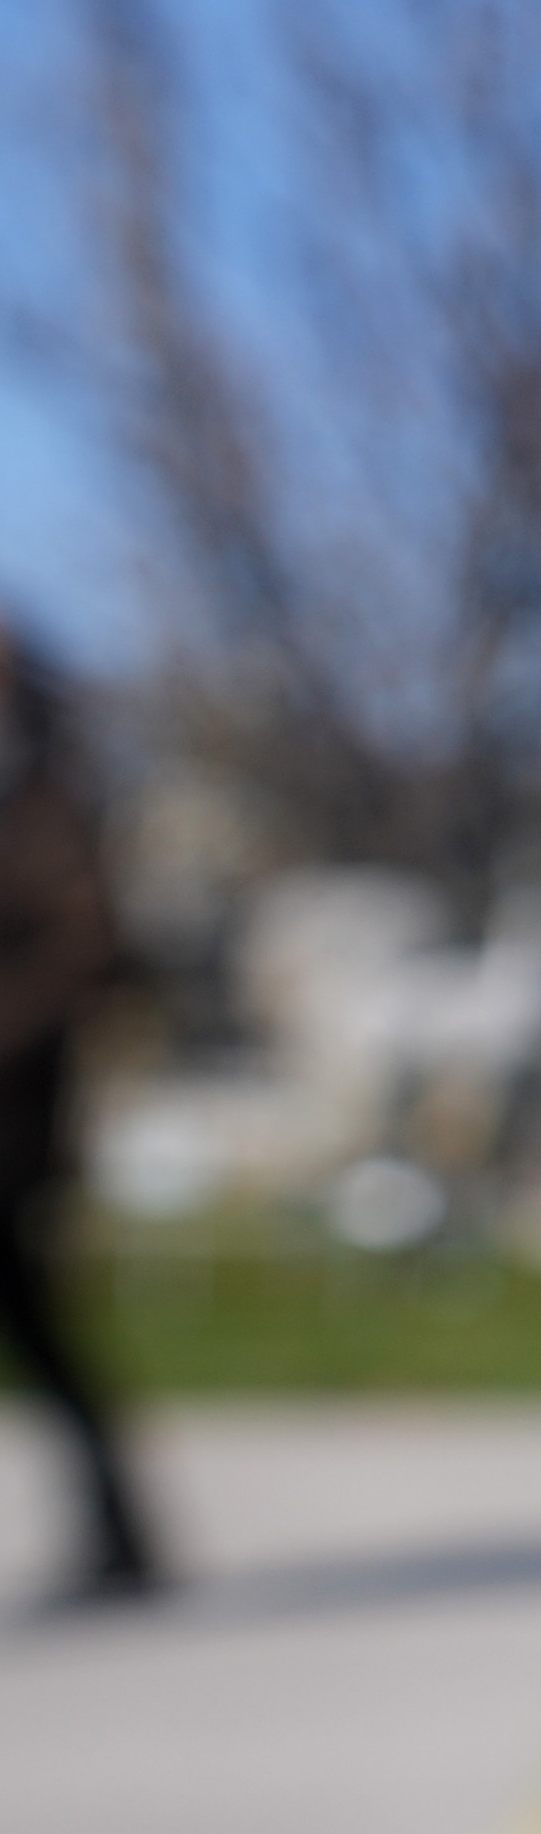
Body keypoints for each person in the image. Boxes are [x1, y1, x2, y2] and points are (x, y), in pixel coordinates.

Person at [0, 618, 157, 1600]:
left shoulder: (47, 807)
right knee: (41, 1331)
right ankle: (122, 1531)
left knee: (43, 1332)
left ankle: (123, 1531)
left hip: (10, 1125)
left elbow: (88, 951)